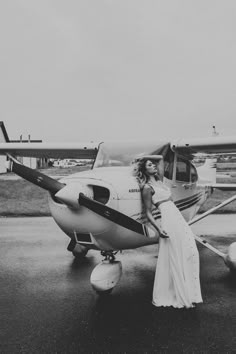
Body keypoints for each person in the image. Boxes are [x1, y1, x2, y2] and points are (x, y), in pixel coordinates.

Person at [132, 155, 202, 308]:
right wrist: (159, 228)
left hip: (177, 217)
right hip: (168, 220)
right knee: (175, 253)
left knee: (190, 250)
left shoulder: (160, 181)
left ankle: (188, 290)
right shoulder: (147, 188)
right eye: (150, 165)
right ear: (144, 169)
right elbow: (149, 212)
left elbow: (161, 158)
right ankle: (178, 293)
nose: (154, 166)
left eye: (153, 164)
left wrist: (143, 157)